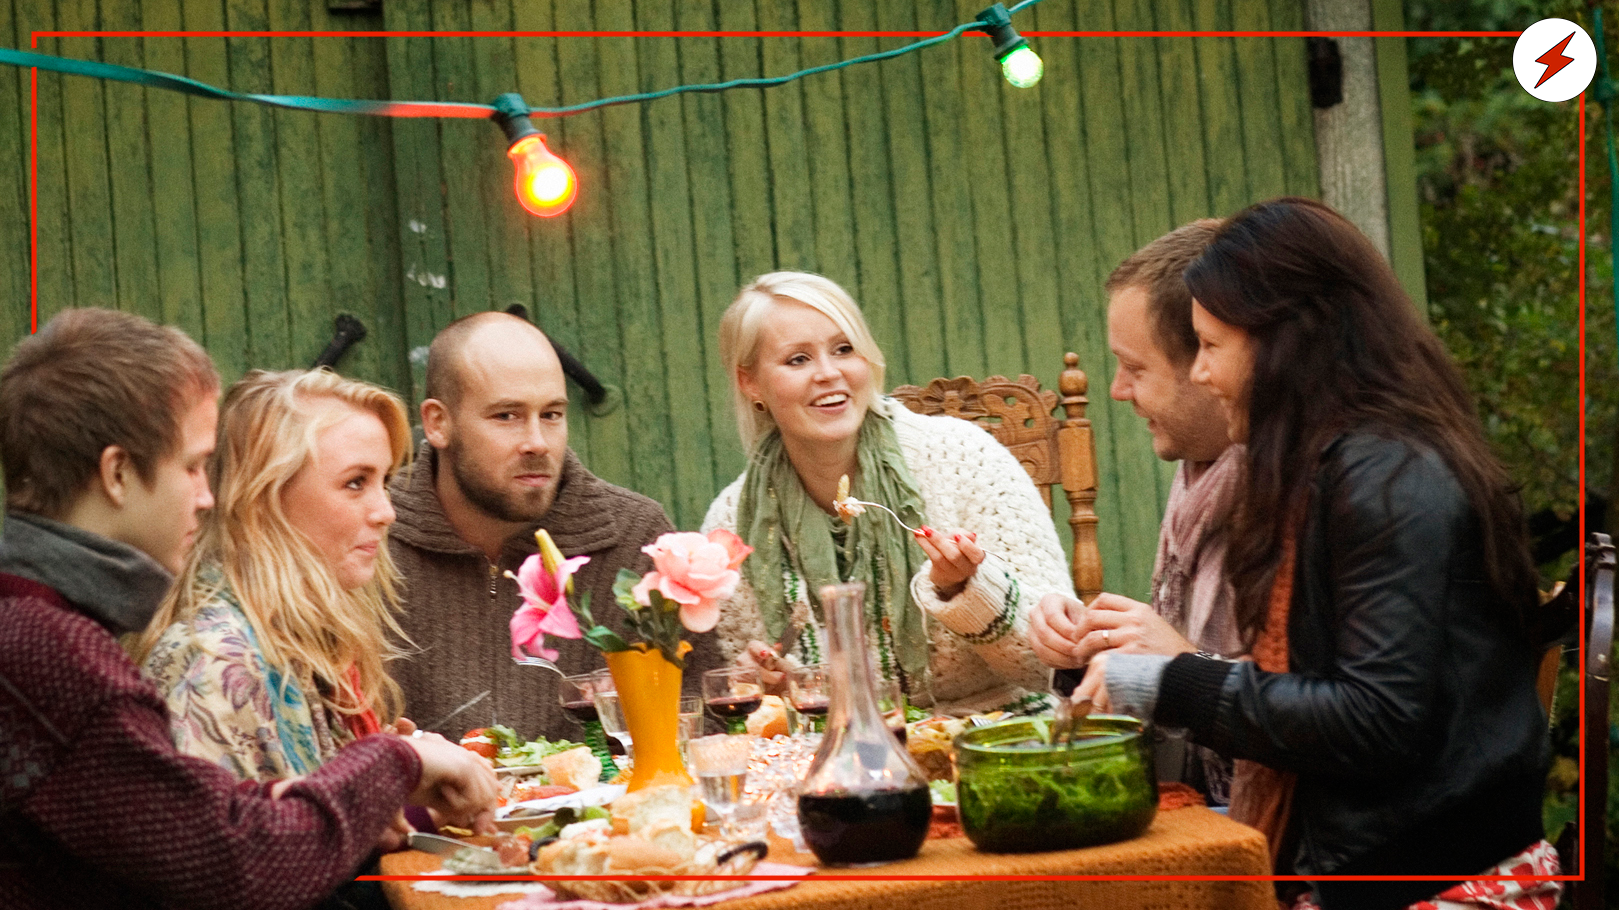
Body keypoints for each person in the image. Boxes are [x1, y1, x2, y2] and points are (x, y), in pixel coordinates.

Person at [1075, 199, 1556, 910]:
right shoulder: (1334, 465)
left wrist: (1169, 680)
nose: (1201, 374)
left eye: (1210, 347)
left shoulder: (1386, 475)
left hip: (1441, 884)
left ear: (1285, 342)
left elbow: (1374, 719)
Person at [0, 309, 498, 910]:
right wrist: (396, 761)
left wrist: (369, 799)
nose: (209, 496)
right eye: (191, 467)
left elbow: (190, 829)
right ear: (117, 472)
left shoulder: (50, 627)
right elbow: (232, 866)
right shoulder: (63, 652)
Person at [702, 271, 1072, 717]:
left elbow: (1056, 663)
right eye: (798, 359)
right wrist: (771, 691)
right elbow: (745, 707)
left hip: (999, 737)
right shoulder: (731, 524)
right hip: (839, 759)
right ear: (751, 383)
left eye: (844, 349)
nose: (829, 373)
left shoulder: (962, 457)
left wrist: (969, 593)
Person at [388, 311, 720, 740]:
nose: (538, 443)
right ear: (437, 423)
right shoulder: (369, 538)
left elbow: (706, 722)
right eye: (506, 416)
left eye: (552, 415)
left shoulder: (635, 535)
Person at [1029, 219, 1242, 803]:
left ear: (1208, 363)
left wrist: (1178, 666)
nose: (1118, 389)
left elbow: (1333, 723)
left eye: (1136, 367)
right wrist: (1097, 652)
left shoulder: (1293, 489)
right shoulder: (1197, 474)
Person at [134, 369, 413, 784]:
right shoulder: (218, 663)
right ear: (265, 496)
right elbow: (233, 845)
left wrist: (400, 777)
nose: (385, 512)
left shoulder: (302, 636)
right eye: (356, 483)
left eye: (384, 481)